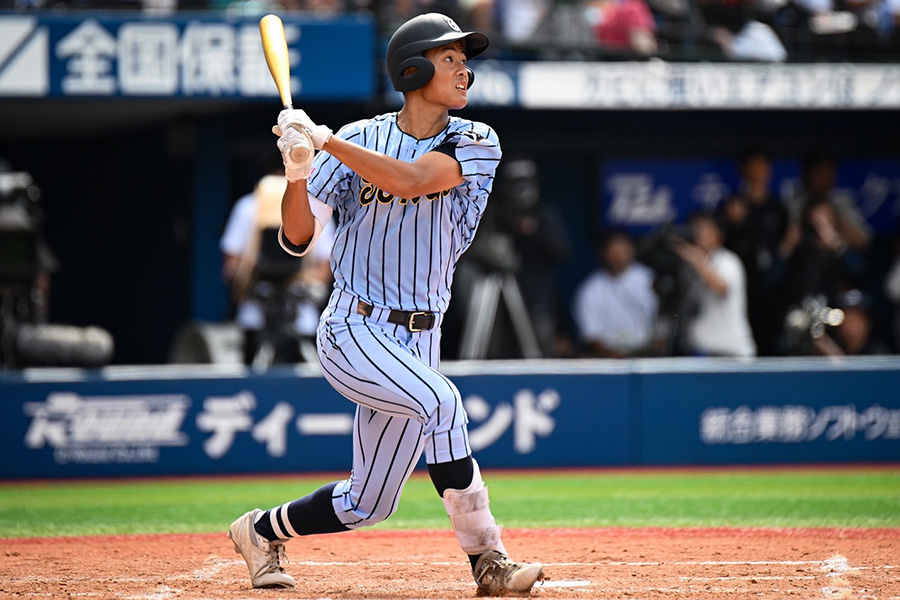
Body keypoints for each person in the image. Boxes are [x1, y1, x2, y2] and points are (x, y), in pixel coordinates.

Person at [227, 13, 544, 596]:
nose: (464, 70)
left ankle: (260, 530)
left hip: (421, 337)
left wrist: (325, 142)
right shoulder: (359, 137)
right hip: (353, 327)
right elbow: (297, 237)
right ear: (413, 69)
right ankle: (488, 561)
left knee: (368, 503)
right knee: (442, 402)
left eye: (463, 59)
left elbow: (413, 180)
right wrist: (297, 170)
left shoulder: (476, 140)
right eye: (449, 59)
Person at [220, 164, 334, 366]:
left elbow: (230, 265)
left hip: (300, 318)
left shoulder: (314, 207)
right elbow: (325, 266)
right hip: (257, 318)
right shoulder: (248, 207)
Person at [718, 146, 790, 356]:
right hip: (738, 288)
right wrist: (733, 223)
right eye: (753, 166)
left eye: (762, 166)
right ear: (742, 169)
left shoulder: (778, 208)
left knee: (771, 345)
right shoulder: (731, 206)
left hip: (771, 290)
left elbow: (786, 246)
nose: (758, 171)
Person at [672, 211, 757, 357]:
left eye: (705, 228)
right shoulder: (688, 267)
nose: (699, 233)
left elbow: (721, 288)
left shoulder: (727, 261)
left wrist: (698, 262)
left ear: (719, 235)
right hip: (701, 351)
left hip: (731, 352)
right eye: (696, 228)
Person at [572, 229, 659, 358]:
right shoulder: (590, 289)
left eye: (623, 250)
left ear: (632, 250)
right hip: (609, 359)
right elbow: (591, 336)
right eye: (613, 251)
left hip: (648, 355)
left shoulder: (649, 279)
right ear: (602, 253)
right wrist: (617, 358)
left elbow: (664, 322)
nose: (618, 256)